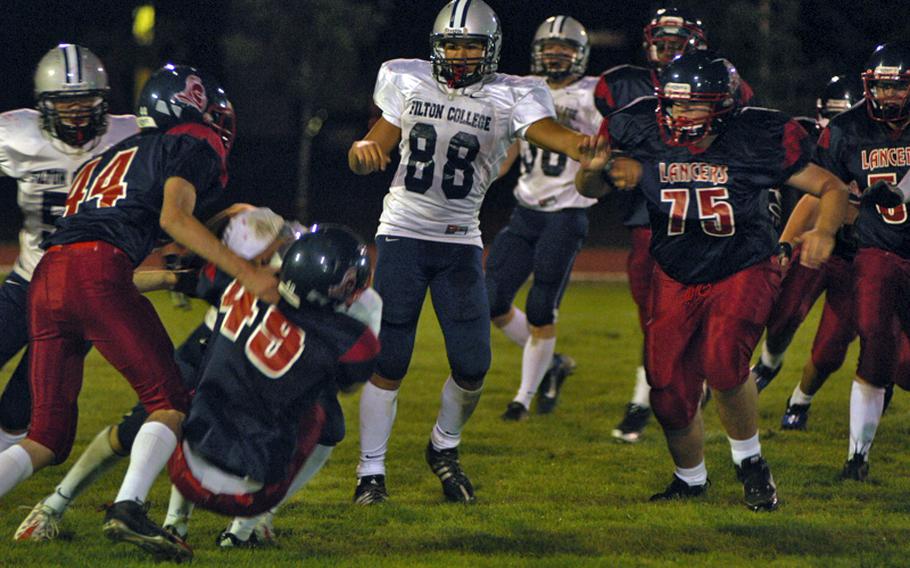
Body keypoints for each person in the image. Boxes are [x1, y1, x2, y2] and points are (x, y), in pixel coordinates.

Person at [0, 63, 278, 562]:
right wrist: (247, 271)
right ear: (192, 108)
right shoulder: (193, 139)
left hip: (49, 278)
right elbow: (173, 217)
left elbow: (121, 243)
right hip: (96, 273)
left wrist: (180, 269)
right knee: (170, 400)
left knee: (46, 436)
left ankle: (117, 504)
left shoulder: (105, 159)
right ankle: (128, 507)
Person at [347, 0, 595, 504]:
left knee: (473, 364)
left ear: (491, 51)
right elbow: (374, 144)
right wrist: (360, 153)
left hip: (460, 241)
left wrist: (585, 146)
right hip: (402, 234)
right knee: (390, 358)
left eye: (470, 46)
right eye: (452, 45)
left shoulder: (512, 95)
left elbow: (551, 136)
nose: (460, 55)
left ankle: (444, 447)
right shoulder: (407, 79)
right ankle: (370, 472)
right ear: (436, 48)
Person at [577, 52, 848, 510]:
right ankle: (690, 479)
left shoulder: (755, 135)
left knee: (724, 364)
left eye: (694, 106)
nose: (680, 116)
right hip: (675, 268)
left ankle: (751, 464)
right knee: (666, 388)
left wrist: (824, 230)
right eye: (675, 105)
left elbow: (833, 187)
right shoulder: (640, 127)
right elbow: (591, 190)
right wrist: (592, 170)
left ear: (721, 106)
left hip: (742, 262)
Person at [13, 206, 292, 543]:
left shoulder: (287, 268)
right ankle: (53, 506)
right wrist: (166, 278)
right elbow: (127, 282)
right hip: (206, 356)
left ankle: (237, 525)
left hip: (252, 366)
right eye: (270, 251)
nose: (278, 256)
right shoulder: (226, 273)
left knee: (272, 432)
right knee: (137, 431)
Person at [159, 225, 380, 559]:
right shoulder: (278, 275)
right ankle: (178, 521)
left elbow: (345, 371)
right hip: (238, 355)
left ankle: (245, 526)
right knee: (204, 404)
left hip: (288, 369)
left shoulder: (363, 305)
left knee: (328, 428)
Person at [593, 8, 755, 443]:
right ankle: (649, 397)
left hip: (708, 221)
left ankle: (681, 393)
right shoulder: (623, 87)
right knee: (654, 320)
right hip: (651, 218)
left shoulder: (720, 81)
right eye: (660, 41)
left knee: (715, 323)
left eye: (675, 41)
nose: (666, 49)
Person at [0, 44, 138, 453]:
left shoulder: (130, 136)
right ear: (43, 106)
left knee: (22, 407)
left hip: (83, 294)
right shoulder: (15, 133)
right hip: (28, 283)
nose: (77, 113)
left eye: (85, 102)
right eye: (65, 103)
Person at [487, 15, 599, 422]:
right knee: (492, 300)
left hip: (567, 212)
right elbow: (508, 151)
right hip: (526, 210)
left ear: (580, 55)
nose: (555, 56)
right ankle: (553, 365)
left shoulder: (593, 95)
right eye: (549, 49)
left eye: (564, 49)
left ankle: (523, 397)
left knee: (539, 309)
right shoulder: (524, 90)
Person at [812, 43, 910, 481]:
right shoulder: (846, 129)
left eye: (897, 87)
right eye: (881, 86)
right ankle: (856, 457)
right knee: (873, 342)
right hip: (877, 248)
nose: (887, 96)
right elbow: (825, 186)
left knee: (904, 369)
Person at [750, 75, 863, 402]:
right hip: (815, 243)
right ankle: (770, 364)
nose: (835, 124)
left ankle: (802, 399)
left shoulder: (879, 142)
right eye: (831, 115)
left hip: (863, 257)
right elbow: (811, 198)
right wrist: (783, 241)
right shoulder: (803, 138)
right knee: (783, 313)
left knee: (832, 346)